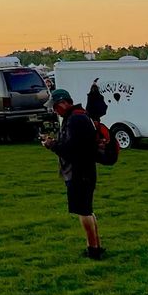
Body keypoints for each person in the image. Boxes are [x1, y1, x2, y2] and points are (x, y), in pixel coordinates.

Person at [42, 88, 103, 260]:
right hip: (85, 170)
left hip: (79, 172)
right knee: (87, 210)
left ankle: (93, 249)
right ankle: (95, 245)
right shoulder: (79, 116)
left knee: (83, 211)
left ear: (63, 103)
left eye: (55, 106)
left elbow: (71, 150)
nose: (55, 111)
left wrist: (52, 145)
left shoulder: (74, 119)